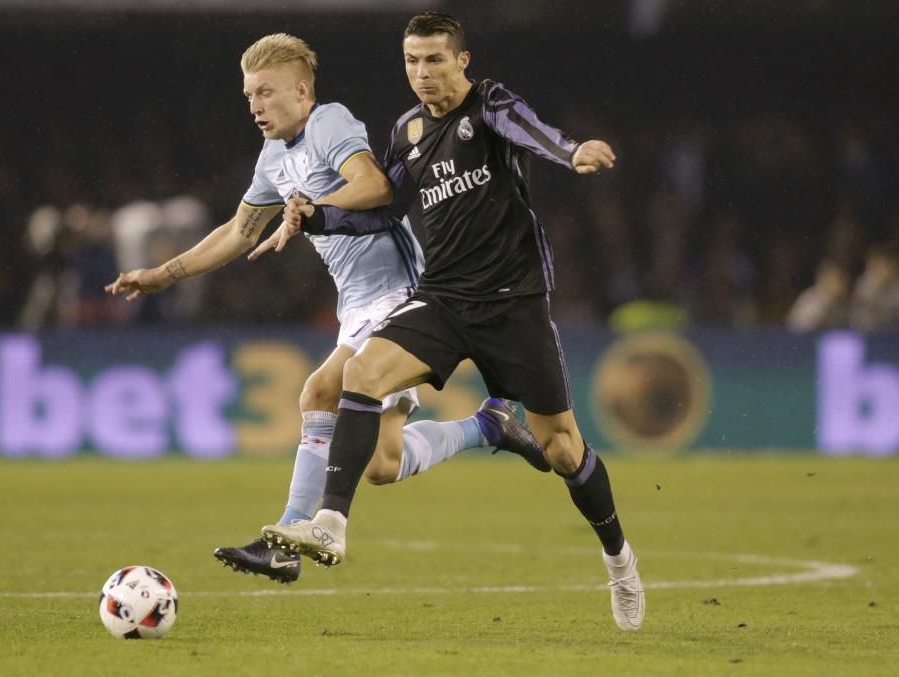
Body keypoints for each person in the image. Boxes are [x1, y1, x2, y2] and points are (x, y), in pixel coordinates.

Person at [105, 33, 548, 584]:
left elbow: (375, 185)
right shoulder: (273, 159)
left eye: (265, 92)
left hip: (397, 294)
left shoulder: (329, 123)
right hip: (355, 305)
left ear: (302, 90)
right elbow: (239, 232)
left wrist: (311, 209)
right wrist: (161, 275)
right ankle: (489, 426)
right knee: (382, 465)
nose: (256, 106)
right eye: (249, 97)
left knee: (318, 391)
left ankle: (287, 539)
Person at [261, 12, 645, 631]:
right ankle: (331, 522)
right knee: (360, 376)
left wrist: (570, 151)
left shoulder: (488, 106)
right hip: (442, 299)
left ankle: (619, 560)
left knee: (562, 450)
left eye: (435, 60)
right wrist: (320, 219)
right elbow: (384, 207)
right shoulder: (407, 130)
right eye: (412, 61)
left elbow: (528, 129)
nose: (422, 73)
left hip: (512, 304)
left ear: (461, 62)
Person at [785, 259, 850, 332]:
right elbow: (799, 326)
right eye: (837, 279)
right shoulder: (812, 297)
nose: (841, 284)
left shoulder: (841, 301)